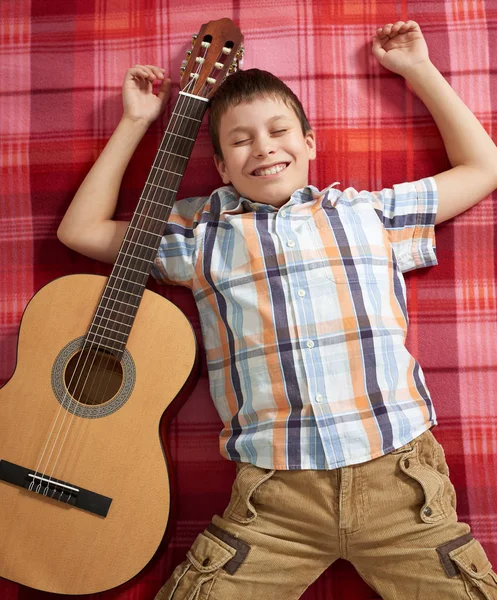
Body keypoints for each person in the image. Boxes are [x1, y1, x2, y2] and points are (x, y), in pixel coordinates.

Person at [57, 20, 497, 600]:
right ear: (220, 167)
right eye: (240, 141)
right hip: (274, 501)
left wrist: (419, 70)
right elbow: (80, 230)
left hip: (401, 488)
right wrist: (136, 122)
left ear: (309, 142)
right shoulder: (200, 235)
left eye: (278, 130)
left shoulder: (368, 215)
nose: (263, 146)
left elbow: (483, 169)